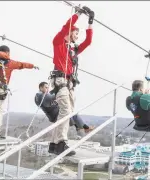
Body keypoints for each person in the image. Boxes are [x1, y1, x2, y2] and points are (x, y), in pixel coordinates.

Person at [49, 6, 94, 156]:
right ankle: (61, 142)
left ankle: (54, 144)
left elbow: (88, 42)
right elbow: (66, 27)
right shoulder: (58, 43)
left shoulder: (73, 50)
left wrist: (90, 22)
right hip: (60, 81)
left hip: (69, 84)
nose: (77, 35)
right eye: (75, 32)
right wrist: (78, 14)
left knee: (67, 113)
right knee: (66, 111)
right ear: (69, 32)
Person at [0, 45, 39, 140]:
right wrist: (33, 66)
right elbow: (22, 65)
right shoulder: (11, 63)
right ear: (8, 52)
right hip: (0, 89)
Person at [35, 82, 94, 154]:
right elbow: (53, 97)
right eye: (45, 87)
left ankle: (53, 147)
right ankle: (83, 128)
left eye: (48, 87)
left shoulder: (42, 96)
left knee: (71, 114)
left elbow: (52, 98)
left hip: (54, 114)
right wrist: (63, 89)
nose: (47, 89)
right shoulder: (40, 95)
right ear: (41, 88)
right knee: (70, 113)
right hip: (55, 114)